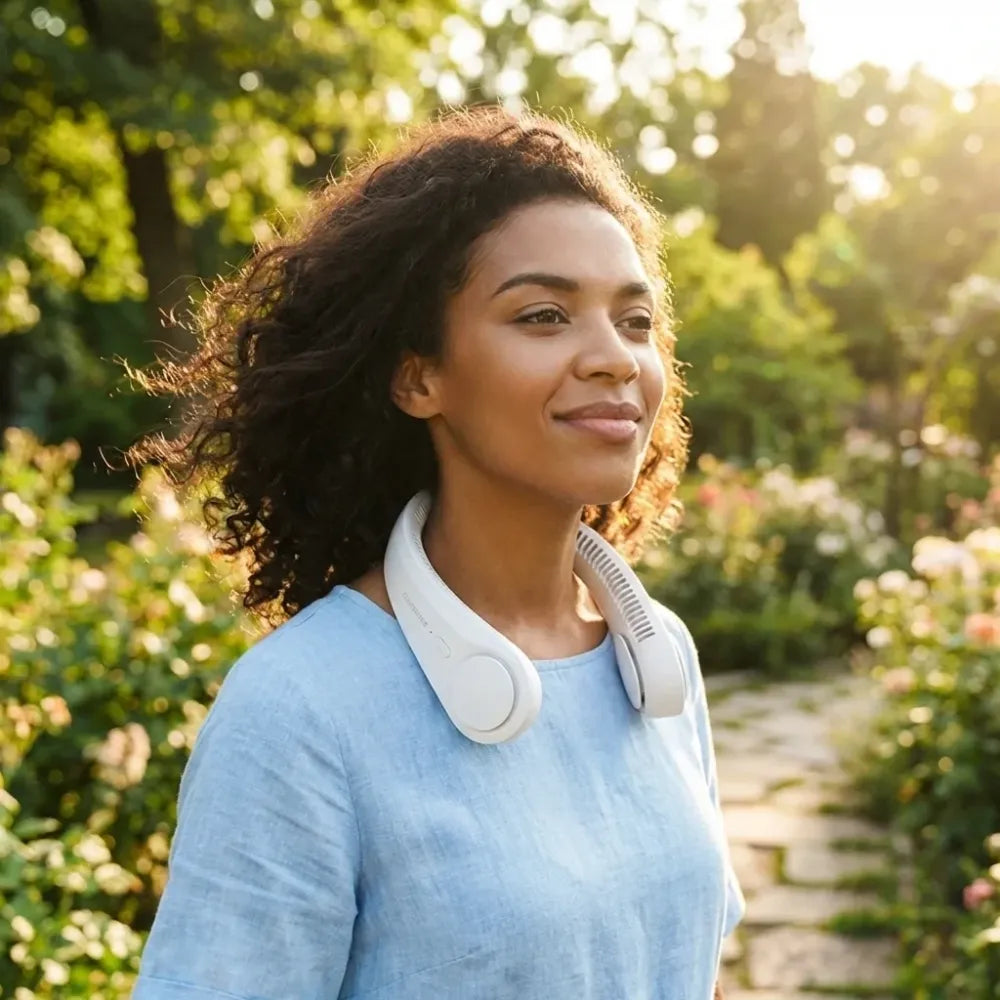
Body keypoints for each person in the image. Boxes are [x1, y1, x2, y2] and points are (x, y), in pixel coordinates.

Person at [128, 105, 745, 1000]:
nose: (614, 357)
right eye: (543, 315)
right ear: (419, 376)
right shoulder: (300, 711)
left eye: (637, 320)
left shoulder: (657, 660)